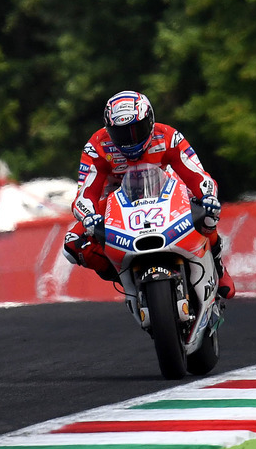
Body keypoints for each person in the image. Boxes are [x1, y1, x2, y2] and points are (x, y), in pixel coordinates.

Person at [63, 90, 236, 299]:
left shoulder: (169, 136)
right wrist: (89, 216)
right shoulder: (97, 146)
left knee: (208, 211)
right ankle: (127, 275)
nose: (129, 141)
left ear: (150, 121)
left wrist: (207, 196)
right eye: (121, 133)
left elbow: (197, 175)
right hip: (116, 201)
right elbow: (85, 193)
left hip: (168, 190)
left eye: (136, 130)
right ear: (109, 130)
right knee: (73, 244)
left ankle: (217, 265)